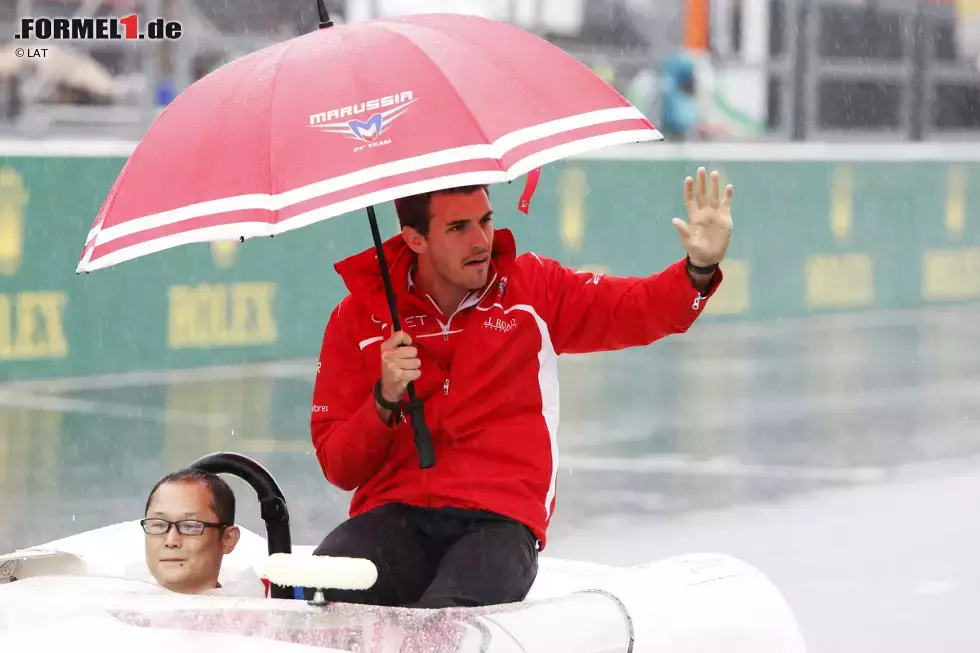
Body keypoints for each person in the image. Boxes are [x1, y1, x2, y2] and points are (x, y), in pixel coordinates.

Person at [310, 167, 733, 608]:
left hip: (498, 522)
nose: (481, 240)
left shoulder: (533, 290)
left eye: (486, 221)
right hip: (395, 516)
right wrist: (384, 399)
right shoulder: (355, 318)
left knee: (448, 624)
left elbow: (639, 308)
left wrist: (698, 270)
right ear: (415, 239)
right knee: (311, 591)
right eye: (458, 227)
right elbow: (340, 467)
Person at [141, 468, 241, 595]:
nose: (171, 541)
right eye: (159, 525)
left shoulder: (256, 610)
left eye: (189, 526)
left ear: (228, 539)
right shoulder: (116, 606)